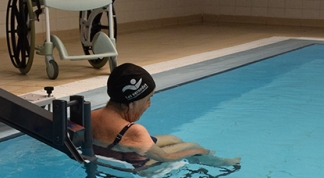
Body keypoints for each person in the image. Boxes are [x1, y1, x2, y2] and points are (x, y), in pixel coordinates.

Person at [91, 63, 240, 170]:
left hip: (113, 151)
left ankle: (205, 155)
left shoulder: (90, 115)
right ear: (131, 103)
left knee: (172, 139)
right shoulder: (135, 131)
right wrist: (197, 152)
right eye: (147, 99)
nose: (149, 104)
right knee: (193, 146)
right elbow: (165, 158)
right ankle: (224, 163)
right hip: (139, 166)